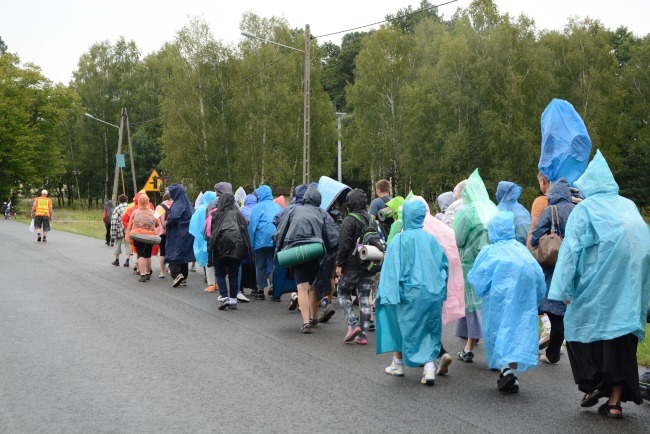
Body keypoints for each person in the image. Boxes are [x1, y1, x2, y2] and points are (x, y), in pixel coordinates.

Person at [548, 150, 650, 418]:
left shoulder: (586, 209)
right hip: (631, 286)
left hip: (598, 284)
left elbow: (571, 252)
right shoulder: (628, 205)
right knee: (621, 338)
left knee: (580, 327)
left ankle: (592, 384)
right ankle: (614, 402)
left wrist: (562, 290)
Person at [468, 211, 546, 393]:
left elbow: (478, 278)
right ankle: (511, 372)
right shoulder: (522, 250)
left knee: (498, 330)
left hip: (498, 299)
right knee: (516, 332)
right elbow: (538, 277)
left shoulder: (491, 251)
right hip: (522, 300)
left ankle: (506, 370)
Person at [377, 200, 449, 386]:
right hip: (432, 293)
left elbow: (391, 271)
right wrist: (441, 290)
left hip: (408, 294)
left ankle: (398, 363)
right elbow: (443, 267)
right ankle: (429, 368)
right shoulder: (431, 239)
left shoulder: (400, 240)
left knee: (398, 324)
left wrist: (385, 294)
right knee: (428, 330)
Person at [411, 196, 465, 376]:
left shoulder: (414, 227)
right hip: (439, 282)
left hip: (418, 283)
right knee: (431, 319)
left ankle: (435, 355)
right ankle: (436, 354)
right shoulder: (441, 227)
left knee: (419, 321)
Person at [274, 187, 339, 333]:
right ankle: (313, 317)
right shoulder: (322, 213)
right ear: (318, 200)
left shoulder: (293, 210)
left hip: (297, 252)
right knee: (313, 286)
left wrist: (281, 249)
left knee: (302, 287)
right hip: (316, 251)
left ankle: (305, 323)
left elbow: (280, 231)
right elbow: (333, 236)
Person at [453, 170, 498, 363]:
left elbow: (458, 239)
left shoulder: (466, 211)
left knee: (473, 306)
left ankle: (476, 348)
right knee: (489, 305)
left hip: (470, 263)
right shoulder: (492, 208)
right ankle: (472, 346)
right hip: (494, 263)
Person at [530, 179, 575, 364]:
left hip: (552, 263)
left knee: (550, 306)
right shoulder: (577, 210)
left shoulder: (550, 210)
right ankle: (553, 351)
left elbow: (536, 236)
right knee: (561, 307)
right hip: (572, 264)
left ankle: (552, 352)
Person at [335, 188, 375, 345]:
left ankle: (353, 324)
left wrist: (339, 264)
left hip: (351, 266)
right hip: (369, 263)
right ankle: (362, 335)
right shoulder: (371, 220)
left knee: (343, 292)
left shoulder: (349, 220)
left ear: (350, 203)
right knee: (364, 296)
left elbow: (344, 245)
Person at [209, 192, 253, 311]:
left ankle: (224, 298)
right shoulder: (238, 215)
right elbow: (245, 232)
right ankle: (233, 300)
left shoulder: (217, 214)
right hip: (237, 247)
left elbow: (212, 233)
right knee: (234, 274)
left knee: (220, 273)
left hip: (220, 247)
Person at [526, 171, 553, 349]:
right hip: (564, 252)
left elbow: (533, 230)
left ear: (544, 182)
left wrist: (528, 252)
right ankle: (557, 334)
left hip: (545, 253)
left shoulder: (541, 202)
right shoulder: (575, 200)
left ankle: (547, 325)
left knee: (539, 292)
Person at [248, 185, 282, 300]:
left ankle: (260, 290)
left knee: (260, 265)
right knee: (273, 265)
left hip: (261, 239)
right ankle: (275, 288)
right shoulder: (278, 206)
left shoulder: (257, 207)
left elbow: (252, 226)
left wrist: (251, 244)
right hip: (275, 238)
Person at [165, 183, 196, 287]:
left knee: (172, 253)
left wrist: (167, 223)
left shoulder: (178, 203)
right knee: (183, 255)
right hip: (188, 233)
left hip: (177, 232)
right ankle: (183, 277)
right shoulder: (189, 203)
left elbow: (173, 217)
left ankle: (177, 275)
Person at [126, 195, 158, 282]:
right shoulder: (153, 212)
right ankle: (148, 273)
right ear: (148, 201)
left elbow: (130, 225)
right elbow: (157, 224)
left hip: (138, 236)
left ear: (139, 202)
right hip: (150, 236)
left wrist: (128, 235)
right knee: (148, 255)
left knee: (141, 255)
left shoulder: (135, 212)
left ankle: (142, 274)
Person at [495, 181, 531, 245]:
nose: (496, 193)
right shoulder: (522, 208)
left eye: (497, 191)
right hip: (526, 248)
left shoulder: (499, 210)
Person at [154, 191, 173, 278]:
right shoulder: (175, 205)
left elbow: (155, 219)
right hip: (173, 232)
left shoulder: (160, 207)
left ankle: (162, 272)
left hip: (163, 232)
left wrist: (161, 226)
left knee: (162, 252)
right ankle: (171, 269)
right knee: (172, 250)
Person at [110, 194, 131, 267]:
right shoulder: (130, 207)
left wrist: (113, 234)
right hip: (128, 228)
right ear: (127, 200)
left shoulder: (117, 208)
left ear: (119, 200)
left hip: (119, 228)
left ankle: (117, 260)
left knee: (117, 243)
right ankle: (127, 261)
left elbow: (114, 220)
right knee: (128, 243)